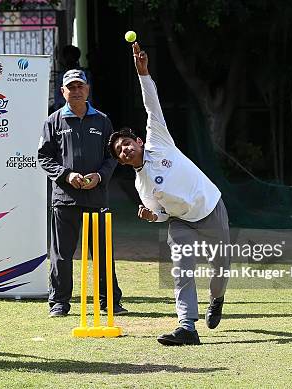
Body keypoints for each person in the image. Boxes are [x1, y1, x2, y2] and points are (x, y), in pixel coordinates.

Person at [108, 42, 230, 346]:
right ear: (121, 160)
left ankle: (217, 300)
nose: (124, 150)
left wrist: (143, 73)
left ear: (137, 141)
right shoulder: (140, 186)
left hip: (210, 206)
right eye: (119, 152)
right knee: (181, 269)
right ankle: (187, 327)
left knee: (220, 271)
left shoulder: (158, 141)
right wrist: (153, 216)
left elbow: (151, 104)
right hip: (181, 222)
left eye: (126, 144)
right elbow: (161, 213)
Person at [38, 68, 126, 317]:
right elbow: (43, 157)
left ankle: (109, 302)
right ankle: (59, 303)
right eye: (71, 87)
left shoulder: (103, 120)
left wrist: (99, 176)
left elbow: (113, 156)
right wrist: (67, 175)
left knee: (102, 254)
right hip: (64, 199)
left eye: (80, 86)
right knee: (62, 255)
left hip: (96, 197)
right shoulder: (53, 121)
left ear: (87, 90)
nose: (76, 91)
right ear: (62, 91)